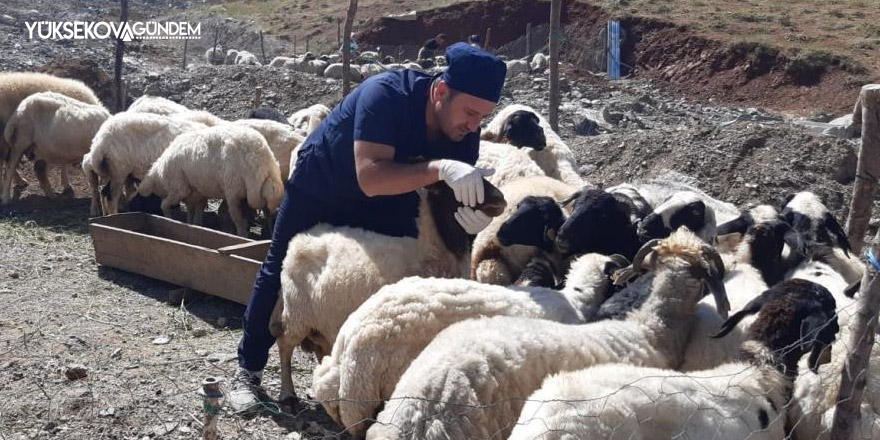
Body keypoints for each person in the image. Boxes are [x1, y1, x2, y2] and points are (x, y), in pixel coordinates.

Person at [228, 42, 507, 412]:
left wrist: (472, 221)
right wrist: (439, 168)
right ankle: (247, 369)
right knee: (281, 266)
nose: (474, 127)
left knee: (390, 277)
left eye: (483, 118)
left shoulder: (463, 134)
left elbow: (449, 197)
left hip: (389, 199)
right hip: (324, 185)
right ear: (440, 91)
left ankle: (367, 374)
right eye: (470, 113)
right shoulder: (387, 95)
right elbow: (371, 176)